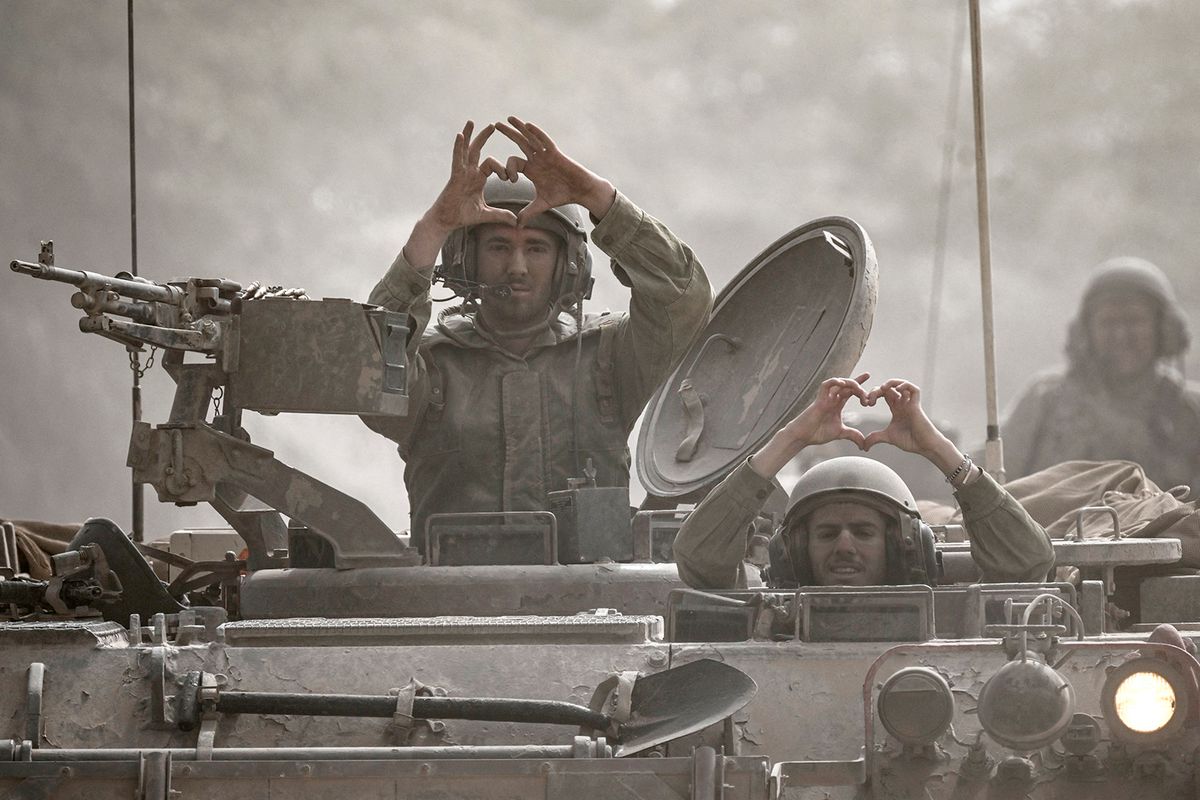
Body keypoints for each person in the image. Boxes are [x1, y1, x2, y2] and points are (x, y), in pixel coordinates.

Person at [362, 118, 713, 545]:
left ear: (570, 265)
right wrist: (436, 225)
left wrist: (597, 197)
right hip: (453, 603)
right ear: (464, 261)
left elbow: (682, 297)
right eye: (498, 247)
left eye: (536, 247)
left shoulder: (608, 357)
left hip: (590, 604)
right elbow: (365, 374)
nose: (517, 267)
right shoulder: (431, 365)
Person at [673, 376, 1054, 590]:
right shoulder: (766, 620)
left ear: (903, 544)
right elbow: (699, 556)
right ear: (795, 550)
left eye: (863, 531)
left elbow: (1027, 562)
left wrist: (938, 448)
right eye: (825, 533)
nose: (843, 545)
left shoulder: (943, 619)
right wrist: (791, 439)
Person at [1003, 257, 1200, 494]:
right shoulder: (1046, 399)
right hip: (1060, 529)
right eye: (1108, 322)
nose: (1121, 335)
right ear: (1086, 332)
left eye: (1134, 321)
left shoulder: (1190, 410)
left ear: (1165, 329)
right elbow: (990, 473)